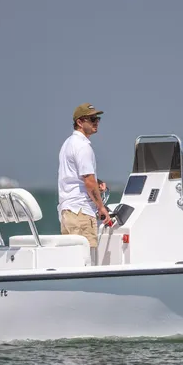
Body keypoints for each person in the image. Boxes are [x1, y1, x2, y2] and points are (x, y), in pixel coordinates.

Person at [58, 103, 109, 257]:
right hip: (81, 212)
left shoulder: (68, 144)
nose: (96, 122)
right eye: (92, 119)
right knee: (85, 260)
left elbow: (76, 177)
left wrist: (96, 181)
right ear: (79, 122)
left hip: (68, 211)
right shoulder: (82, 146)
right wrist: (101, 207)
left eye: (97, 118)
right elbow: (88, 182)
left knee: (71, 261)